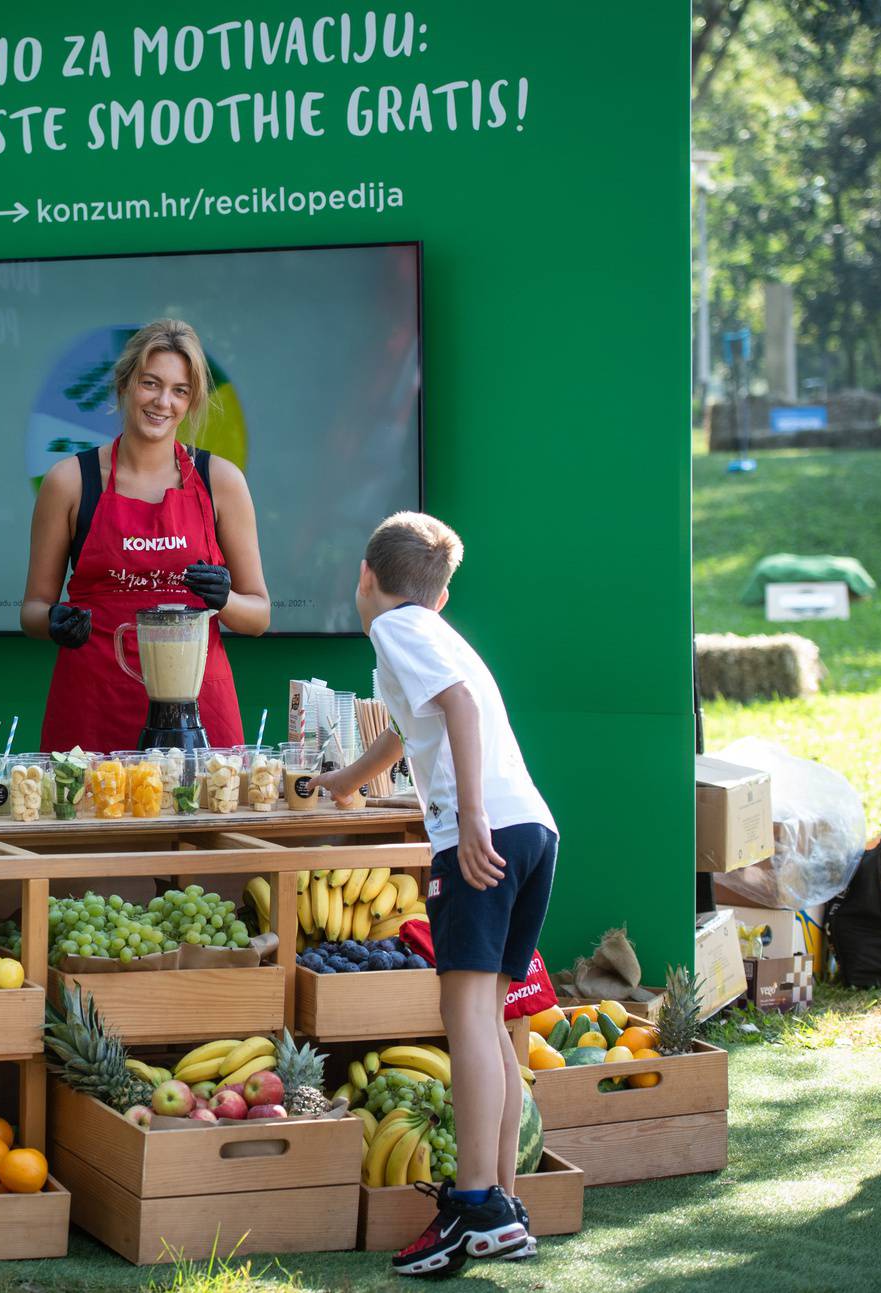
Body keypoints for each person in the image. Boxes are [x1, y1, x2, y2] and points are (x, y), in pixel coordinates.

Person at [312, 512, 557, 1277]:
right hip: (534, 830)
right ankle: (504, 1207)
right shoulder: (437, 633)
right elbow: (411, 730)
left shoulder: (396, 627)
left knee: (467, 1021)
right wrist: (347, 781)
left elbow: (458, 707)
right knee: (486, 1020)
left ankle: (477, 1203)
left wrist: (470, 818)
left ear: (365, 574)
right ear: (444, 594)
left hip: (485, 834)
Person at [19, 320, 269, 751]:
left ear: (191, 402)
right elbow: (33, 611)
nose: (162, 402)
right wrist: (54, 620)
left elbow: (259, 615)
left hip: (197, 711)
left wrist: (224, 600)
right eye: (150, 383)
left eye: (179, 390)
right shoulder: (70, 482)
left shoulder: (220, 481)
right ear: (124, 384)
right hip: (93, 705)